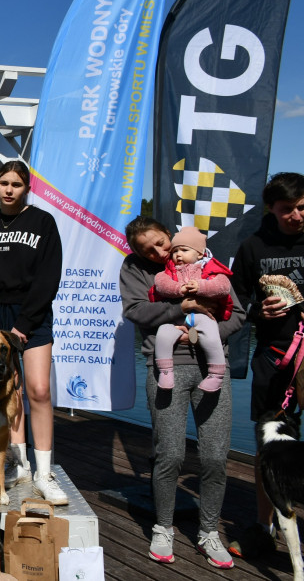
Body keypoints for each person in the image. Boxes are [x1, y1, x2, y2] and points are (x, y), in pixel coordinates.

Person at [121, 216, 243, 569]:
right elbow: (136, 311)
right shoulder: (135, 269)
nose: (161, 252)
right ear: (137, 252)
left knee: (215, 457)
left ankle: (208, 531)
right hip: (164, 367)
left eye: (162, 242)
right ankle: (163, 527)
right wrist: (183, 308)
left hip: (211, 367)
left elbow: (237, 311)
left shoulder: (204, 260)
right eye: (149, 249)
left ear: (169, 235)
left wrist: (210, 333)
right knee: (170, 454)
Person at [0, 160, 65, 504]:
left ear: (27, 189)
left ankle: (44, 472)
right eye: (3, 183)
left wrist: (24, 325)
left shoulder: (42, 223)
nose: (9, 189)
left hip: (31, 315)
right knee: (10, 394)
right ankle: (20, 464)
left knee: (38, 390)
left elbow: (49, 276)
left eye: (17, 184)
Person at [229, 172, 304, 558]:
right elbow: (236, 303)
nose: (296, 216)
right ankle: (265, 525)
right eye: (287, 209)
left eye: (302, 207)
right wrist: (259, 310)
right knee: (267, 446)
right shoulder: (253, 247)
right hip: (274, 359)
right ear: (271, 209)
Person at [150, 226, 233, 392]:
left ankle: (216, 374)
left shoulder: (211, 270)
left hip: (203, 316)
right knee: (163, 335)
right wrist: (178, 289)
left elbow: (223, 286)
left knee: (211, 336)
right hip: (176, 320)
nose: (178, 255)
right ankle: (165, 372)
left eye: (184, 250)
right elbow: (161, 285)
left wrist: (201, 286)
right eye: (175, 251)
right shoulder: (168, 272)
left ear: (200, 254)